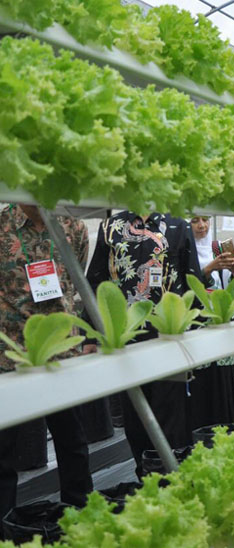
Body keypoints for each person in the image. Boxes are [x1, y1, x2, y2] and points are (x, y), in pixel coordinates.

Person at [86, 211, 208, 476]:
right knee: (134, 412)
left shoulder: (177, 225)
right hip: (126, 336)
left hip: (169, 335)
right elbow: (95, 279)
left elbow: (192, 279)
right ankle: (144, 474)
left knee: (171, 408)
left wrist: (197, 329)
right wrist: (90, 334)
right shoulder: (111, 227)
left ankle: (172, 475)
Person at [0, 204, 93, 523]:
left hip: (61, 350)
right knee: (4, 446)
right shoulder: (3, 226)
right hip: (12, 351)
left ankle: (81, 517)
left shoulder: (72, 226)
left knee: (73, 440)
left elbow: (76, 275)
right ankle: (6, 524)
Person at [189, 216, 234, 429]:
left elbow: (232, 288)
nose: (202, 226)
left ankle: (228, 428)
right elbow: (184, 286)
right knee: (202, 382)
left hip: (221, 325)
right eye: (195, 221)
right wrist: (207, 270)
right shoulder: (185, 252)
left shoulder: (216, 248)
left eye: (205, 220)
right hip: (197, 325)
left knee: (224, 380)